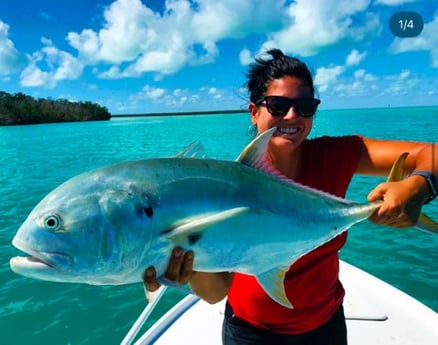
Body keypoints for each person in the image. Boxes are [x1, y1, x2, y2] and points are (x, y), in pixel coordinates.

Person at [143, 49, 437, 345]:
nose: (293, 116)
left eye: (306, 106)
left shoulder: (336, 155)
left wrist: (419, 185)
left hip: (325, 326)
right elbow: (216, 292)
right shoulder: (224, 188)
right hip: (249, 332)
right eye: (278, 105)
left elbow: (431, 154)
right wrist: (189, 267)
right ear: (254, 112)